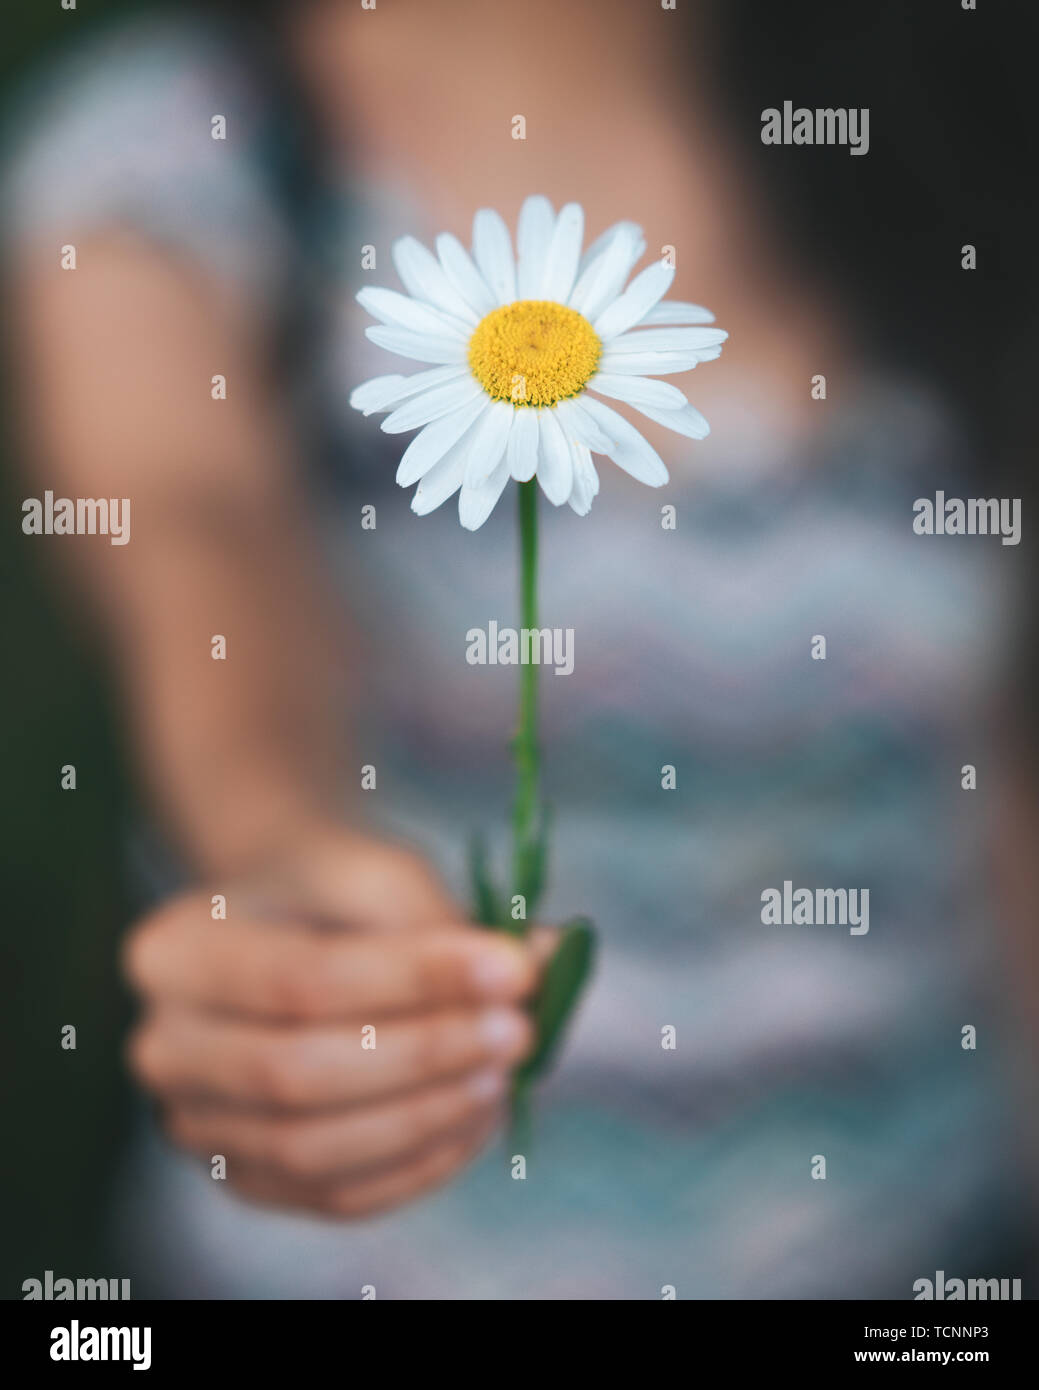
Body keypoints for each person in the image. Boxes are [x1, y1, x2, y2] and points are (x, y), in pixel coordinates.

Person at [4, 0, 1035, 1297]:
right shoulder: (191, 162)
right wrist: (277, 863)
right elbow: (201, 536)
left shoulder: (956, 122)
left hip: (915, 1246)